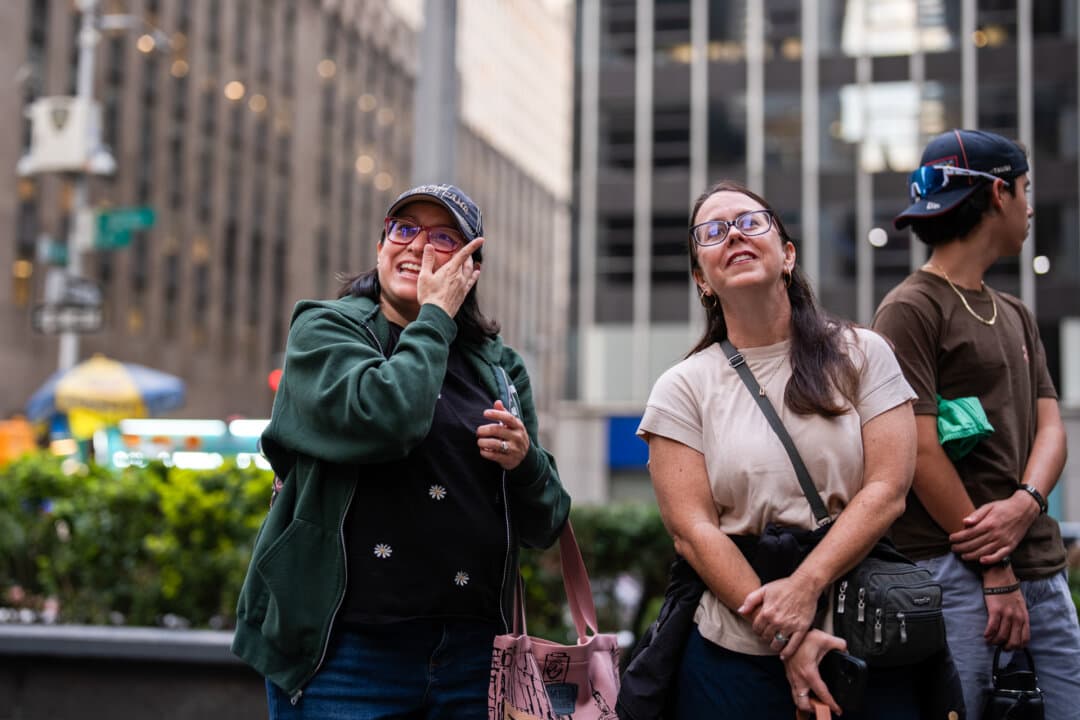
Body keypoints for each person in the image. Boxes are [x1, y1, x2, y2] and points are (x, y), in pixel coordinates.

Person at [231, 183, 571, 719]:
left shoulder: (499, 368)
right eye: (404, 229)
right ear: (380, 246)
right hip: (345, 655)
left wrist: (524, 461)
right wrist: (435, 318)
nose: (416, 246)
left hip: (472, 656)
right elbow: (387, 420)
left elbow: (545, 521)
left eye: (442, 237)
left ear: (470, 267)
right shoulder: (325, 329)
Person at [637, 181, 921, 719]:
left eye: (750, 222)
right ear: (702, 279)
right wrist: (787, 635)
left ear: (787, 254)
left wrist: (805, 587)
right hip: (732, 653)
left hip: (861, 637)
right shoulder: (682, 386)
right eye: (713, 232)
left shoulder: (863, 353)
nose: (734, 235)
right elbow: (692, 531)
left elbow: (888, 490)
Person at [873, 129, 1080, 718]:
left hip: (1040, 562)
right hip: (953, 571)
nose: (1030, 205)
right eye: (1025, 188)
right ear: (997, 194)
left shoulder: (1015, 312)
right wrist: (994, 566)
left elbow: (1052, 427)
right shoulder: (910, 308)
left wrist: (1027, 503)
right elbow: (915, 448)